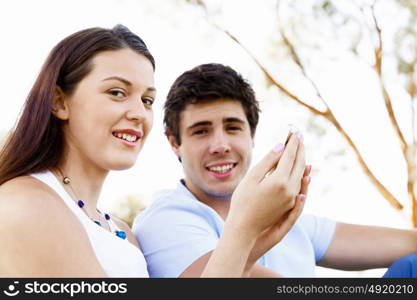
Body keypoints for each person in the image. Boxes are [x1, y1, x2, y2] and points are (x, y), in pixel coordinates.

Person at [0, 26, 308, 277]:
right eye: (117, 93)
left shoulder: (121, 232)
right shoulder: (27, 203)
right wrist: (242, 229)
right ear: (59, 102)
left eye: (147, 100)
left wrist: (251, 242)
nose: (138, 113)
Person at [133, 63, 417, 278]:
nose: (220, 145)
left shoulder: (285, 215)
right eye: (201, 131)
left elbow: (404, 244)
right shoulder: (163, 221)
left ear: (251, 135)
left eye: (233, 127)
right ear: (174, 143)